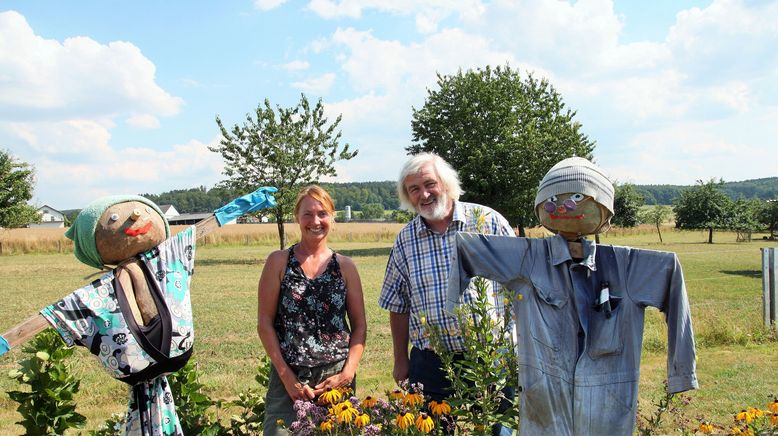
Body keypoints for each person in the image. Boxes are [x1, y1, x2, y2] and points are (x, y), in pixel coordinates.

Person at [378, 152, 516, 435]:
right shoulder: (406, 240)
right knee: (432, 431)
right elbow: (398, 303)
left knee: (498, 429)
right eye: (414, 189)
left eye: (430, 184)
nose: (424, 194)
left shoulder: (487, 223)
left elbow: (520, 285)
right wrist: (400, 359)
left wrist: (519, 347)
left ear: (446, 183)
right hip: (431, 362)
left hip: (490, 355)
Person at [257, 185, 367, 435]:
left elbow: (359, 326)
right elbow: (264, 322)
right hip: (289, 376)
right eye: (308, 214)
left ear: (332, 217)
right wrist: (287, 378)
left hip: (335, 377)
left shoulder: (346, 267)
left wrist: (347, 373)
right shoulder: (279, 262)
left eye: (322, 213)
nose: (315, 221)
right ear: (297, 217)